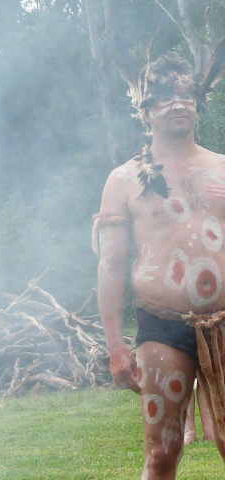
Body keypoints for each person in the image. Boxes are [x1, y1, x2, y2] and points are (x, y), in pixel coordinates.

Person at [94, 50, 225, 478]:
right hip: (162, 327)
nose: (178, 104)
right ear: (145, 109)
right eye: (165, 96)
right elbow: (112, 267)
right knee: (162, 452)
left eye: (186, 95)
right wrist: (117, 347)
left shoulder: (222, 169)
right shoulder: (125, 179)